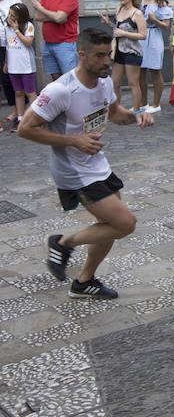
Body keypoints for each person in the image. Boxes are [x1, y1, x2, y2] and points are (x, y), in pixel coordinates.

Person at [17, 28, 154, 299]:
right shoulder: (60, 90)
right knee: (125, 223)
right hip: (74, 172)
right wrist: (74, 141)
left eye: (109, 55)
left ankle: (84, 281)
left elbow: (114, 114)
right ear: (82, 55)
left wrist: (136, 116)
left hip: (97, 165)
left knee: (108, 226)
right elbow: (24, 128)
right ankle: (62, 243)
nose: (107, 62)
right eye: (100, 56)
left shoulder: (104, 83)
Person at [100, 0, 147, 112]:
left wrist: (124, 34)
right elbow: (118, 30)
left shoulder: (137, 13)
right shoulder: (119, 9)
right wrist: (108, 23)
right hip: (119, 51)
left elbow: (143, 35)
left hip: (132, 52)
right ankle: (116, 108)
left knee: (133, 83)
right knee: (114, 82)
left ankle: (137, 110)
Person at [31, 0, 79, 80]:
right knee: (56, 79)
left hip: (65, 44)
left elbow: (57, 17)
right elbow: (38, 17)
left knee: (70, 78)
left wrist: (41, 8)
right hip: (48, 44)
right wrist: (57, 16)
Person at [137, 0, 172, 114]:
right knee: (141, 71)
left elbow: (165, 26)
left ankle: (156, 103)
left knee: (155, 70)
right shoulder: (140, 0)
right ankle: (143, 102)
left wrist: (154, 19)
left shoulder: (161, 3)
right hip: (141, 36)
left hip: (154, 36)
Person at [3, 3, 37, 134]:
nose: (10, 18)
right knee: (18, 93)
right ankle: (20, 118)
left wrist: (17, 29)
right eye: (9, 15)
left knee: (30, 93)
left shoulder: (28, 26)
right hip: (13, 66)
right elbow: (7, 46)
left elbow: (28, 42)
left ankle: (35, 119)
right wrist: (6, 62)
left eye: (13, 16)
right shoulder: (7, 29)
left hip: (26, 66)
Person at [0, 0, 22, 125]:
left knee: (12, 77)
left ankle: (21, 111)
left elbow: (23, 20)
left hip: (12, 44)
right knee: (4, 79)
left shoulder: (13, 0)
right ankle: (14, 110)